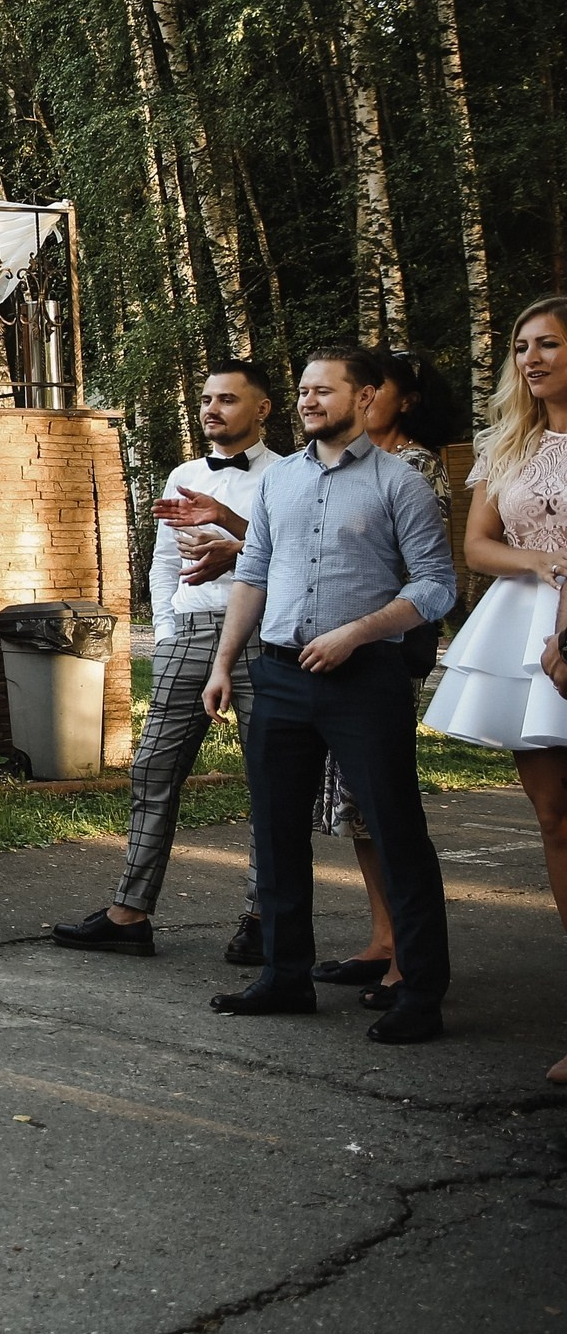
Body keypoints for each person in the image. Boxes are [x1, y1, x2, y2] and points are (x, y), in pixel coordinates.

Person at [206, 347, 456, 1045]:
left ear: (366, 395)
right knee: (276, 833)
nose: (310, 400)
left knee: (397, 832)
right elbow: (252, 573)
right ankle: (285, 976)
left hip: (363, 678)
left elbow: (436, 584)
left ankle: (421, 993)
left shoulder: (398, 482)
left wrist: (358, 632)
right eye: (305, 389)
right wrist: (224, 663)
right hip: (279, 675)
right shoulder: (280, 480)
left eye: (326, 390)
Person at [53, 362, 276, 961]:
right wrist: (173, 625)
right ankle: (129, 913)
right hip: (192, 631)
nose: (212, 410)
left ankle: (264, 916)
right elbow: (161, 561)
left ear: (263, 410)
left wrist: (230, 524)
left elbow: (295, 559)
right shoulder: (182, 473)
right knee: (153, 767)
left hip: (263, 634)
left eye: (228, 400)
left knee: (269, 779)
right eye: (206, 399)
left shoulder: (288, 478)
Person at [429, 301, 567, 1080]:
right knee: (554, 818)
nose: (532, 357)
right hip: (524, 626)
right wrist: (540, 565)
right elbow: (479, 545)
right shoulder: (505, 446)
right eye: (522, 346)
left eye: (548, 343)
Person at [310, 349, 456, 1002]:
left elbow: (414, 567)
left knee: (383, 802)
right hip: (333, 649)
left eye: (378, 390)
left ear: (404, 401)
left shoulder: (414, 466)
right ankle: (383, 937)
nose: (364, 400)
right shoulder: (333, 464)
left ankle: (408, 956)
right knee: (353, 803)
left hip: (388, 647)